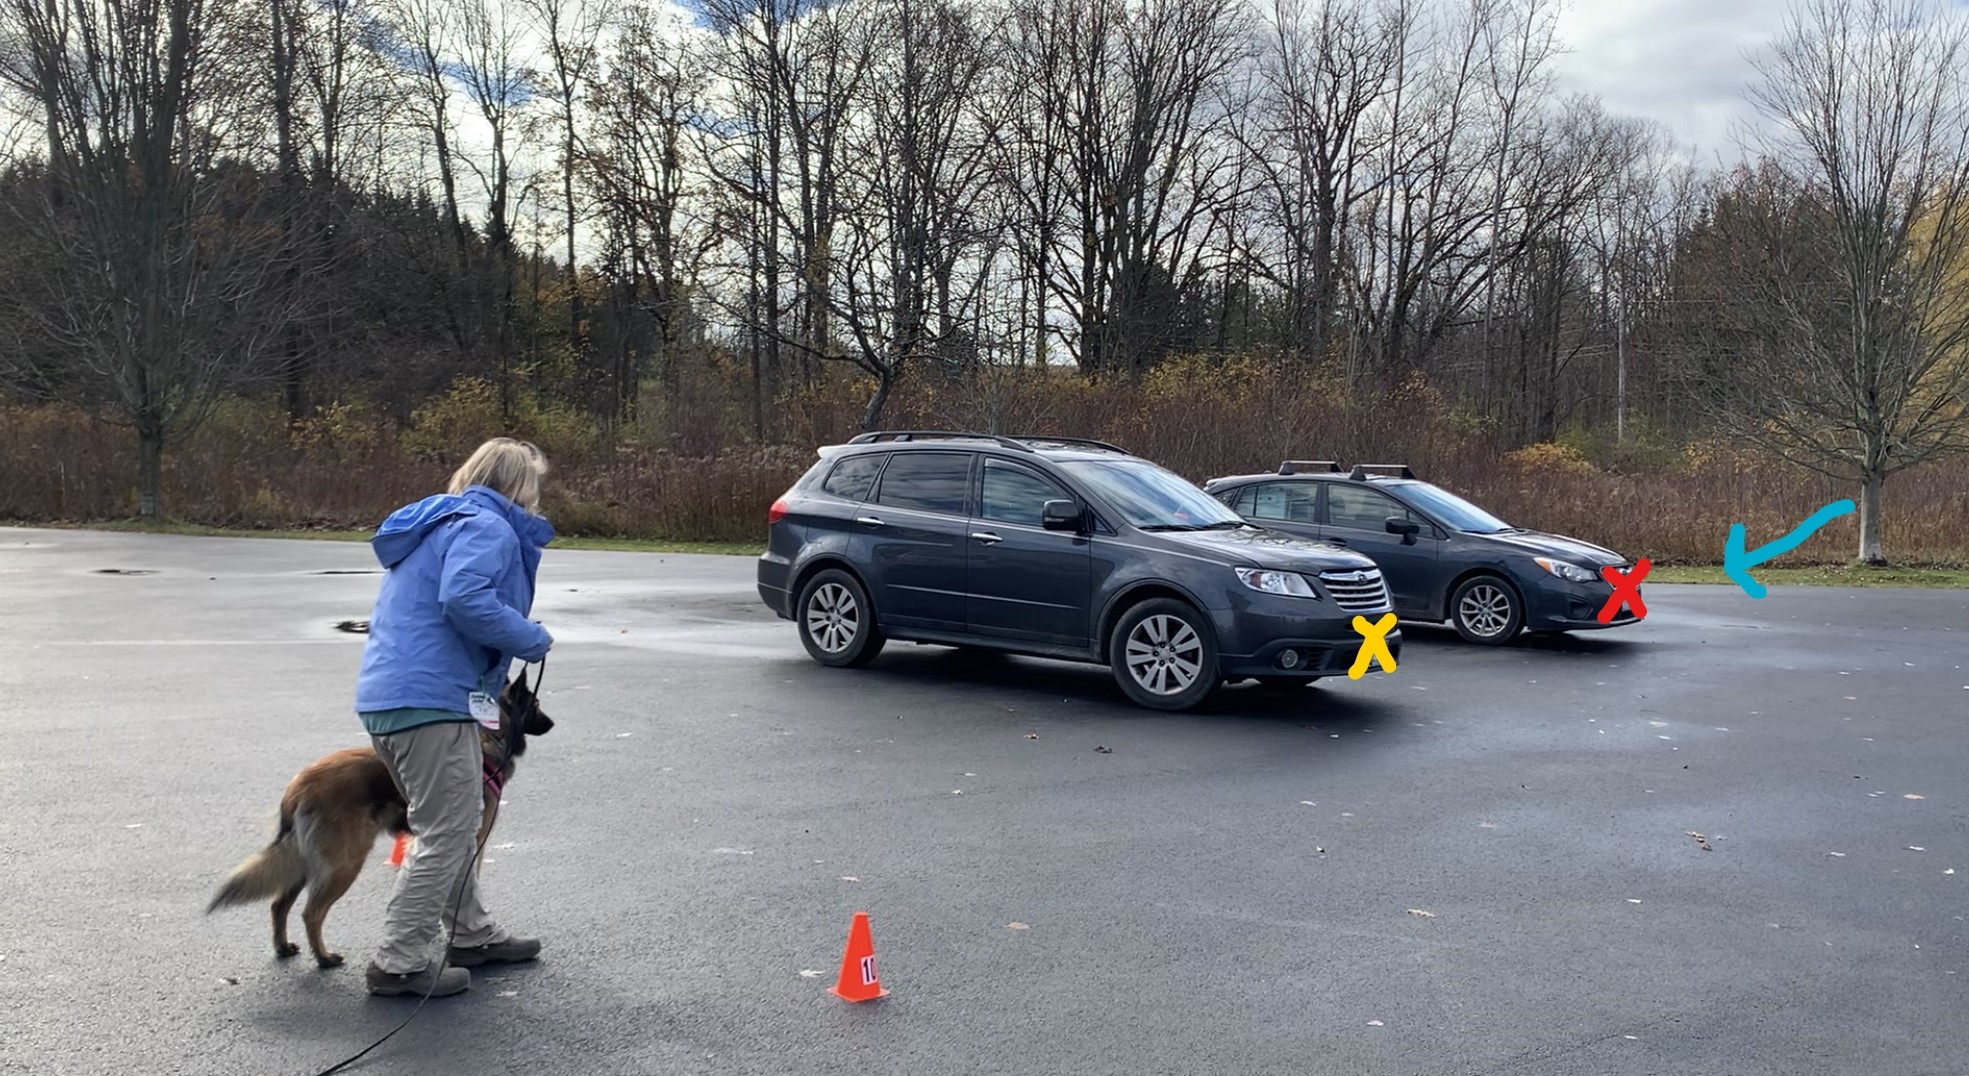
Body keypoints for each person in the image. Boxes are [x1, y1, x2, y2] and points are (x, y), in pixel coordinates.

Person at [353, 437, 556, 998]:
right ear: (519, 486)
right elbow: (464, 599)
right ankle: (399, 962)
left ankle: (471, 935)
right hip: (432, 701)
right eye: (535, 486)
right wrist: (530, 637)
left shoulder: (437, 524)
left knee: (451, 821)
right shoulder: (486, 526)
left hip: (393, 698)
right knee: (447, 829)